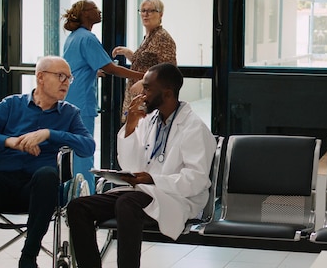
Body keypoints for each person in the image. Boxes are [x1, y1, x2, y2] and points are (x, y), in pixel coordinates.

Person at [67, 63, 216, 268]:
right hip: (144, 193)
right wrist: (130, 126)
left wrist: (153, 179)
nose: (141, 93)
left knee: (127, 203)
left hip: (177, 198)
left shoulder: (194, 128)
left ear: (167, 93)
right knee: (78, 207)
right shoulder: (149, 120)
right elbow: (130, 164)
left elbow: (196, 180)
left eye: (147, 88)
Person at [0, 56, 95, 268]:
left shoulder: (69, 114)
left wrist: (50, 134)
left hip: (40, 191)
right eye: (61, 76)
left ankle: (28, 258)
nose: (66, 82)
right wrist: (9, 141)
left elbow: (88, 146)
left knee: (47, 175)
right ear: (40, 77)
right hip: (2, 183)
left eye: (69, 78)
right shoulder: (11, 105)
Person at [62, 0, 144, 194]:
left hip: (70, 100)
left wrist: (93, 71)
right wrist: (142, 75)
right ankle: (86, 197)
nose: (99, 11)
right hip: (82, 103)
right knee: (84, 152)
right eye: (93, 9)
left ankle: (72, 196)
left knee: (74, 152)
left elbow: (78, 66)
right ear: (84, 14)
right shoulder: (88, 38)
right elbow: (110, 68)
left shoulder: (73, 37)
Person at [112, 0, 177, 121]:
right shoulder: (148, 36)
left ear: (161, 14)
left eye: (151, 11)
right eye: (143, 10)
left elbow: (169, 70)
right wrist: (129, 54)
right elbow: (147, 63)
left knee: (141, 133)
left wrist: (144, 82)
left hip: (149, 97)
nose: (146, 14)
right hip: (136, 96)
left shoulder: (162, 37)